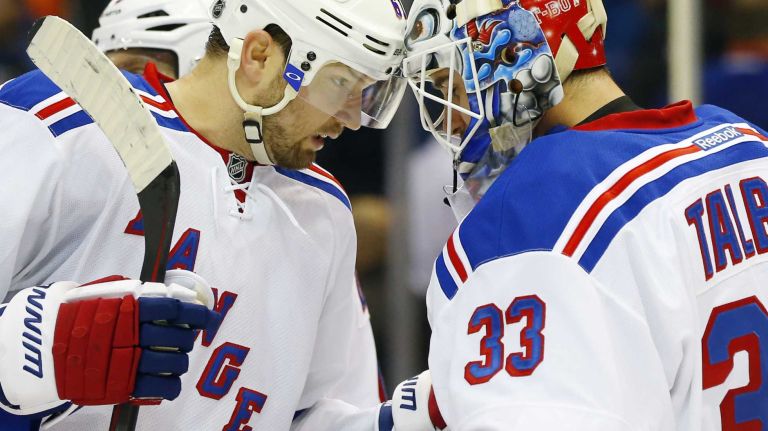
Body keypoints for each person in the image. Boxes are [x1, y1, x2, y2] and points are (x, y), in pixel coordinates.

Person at [0, 0, 408, 429]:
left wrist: (422, 414)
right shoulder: (60, 121)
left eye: (367, 93)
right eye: (340, 83)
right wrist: (28, 352)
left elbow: (314, 410)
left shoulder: (323, 211)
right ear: (259, 56)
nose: (352, 118)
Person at [401, 0, 768, 428]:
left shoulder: (535, 205)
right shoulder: (746, 142)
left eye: (451, 84)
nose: (449, 118)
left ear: (513, 53)